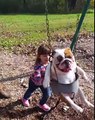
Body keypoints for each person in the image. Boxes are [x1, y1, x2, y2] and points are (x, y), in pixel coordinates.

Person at [22, 44, 52, 111]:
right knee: (30, 90)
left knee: (47, 94)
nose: (47, 57)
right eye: (44, 56)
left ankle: (41, 104)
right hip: (34, 82)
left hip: (45, 83)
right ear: (39, 56)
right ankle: (25, 98)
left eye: (49, 55)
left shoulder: (50, 63)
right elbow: (37, 77)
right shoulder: (38, 66)